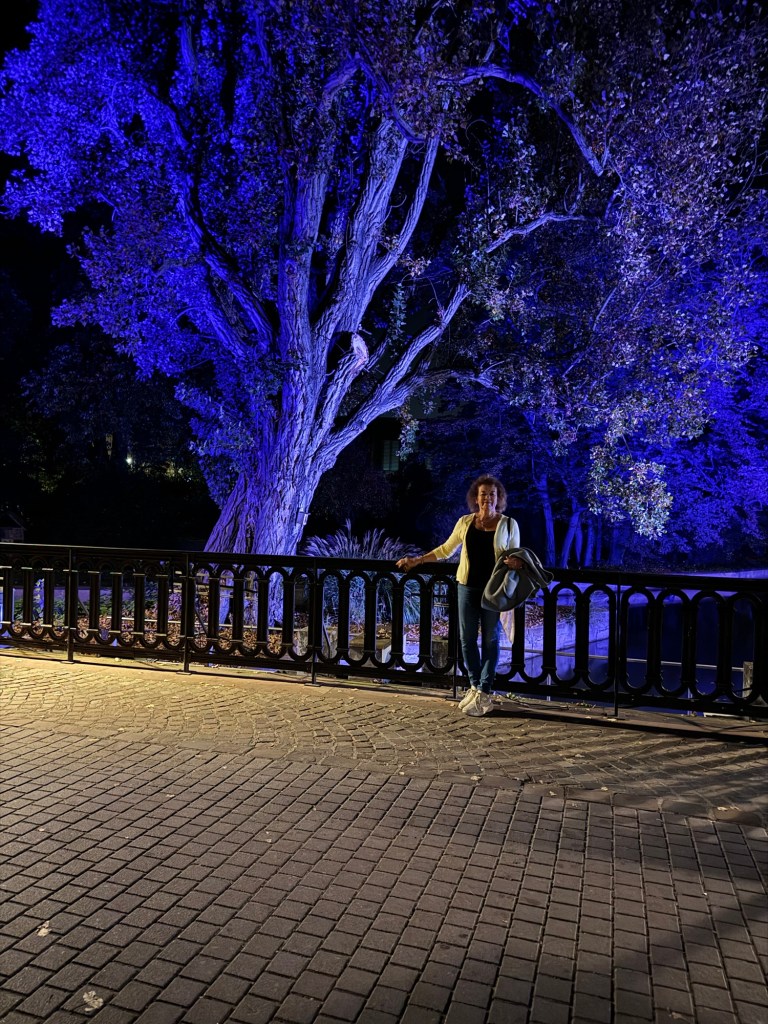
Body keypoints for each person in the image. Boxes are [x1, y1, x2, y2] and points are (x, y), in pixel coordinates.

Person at [396, 474, 523, 716]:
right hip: (467, 587)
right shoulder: (465, 522)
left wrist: (518, 563)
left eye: (492, 494)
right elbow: (446, 549)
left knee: (491, 640)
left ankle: (485, 691)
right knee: (466, 639)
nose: (487, 498)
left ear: (499, 498)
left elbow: (516, 556)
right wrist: (417, 560)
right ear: (476, 497)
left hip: (493, 590)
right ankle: (474, 686)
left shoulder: (508, 525)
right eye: (483, 494)